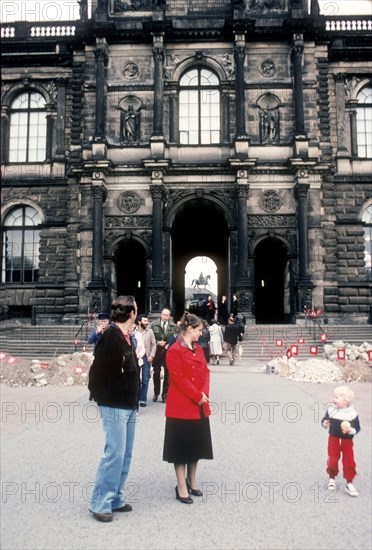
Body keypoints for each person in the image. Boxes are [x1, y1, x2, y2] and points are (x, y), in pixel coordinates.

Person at [88, 295, 140, 522]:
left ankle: (116, 497)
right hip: (114, 403)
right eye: (136, 309)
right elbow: (97, 372)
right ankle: (99, 502)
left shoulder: (126, 336)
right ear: (131, 313)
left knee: (124, 454)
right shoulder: (111, 336)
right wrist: (103, 397)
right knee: (114, 453)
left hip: (128, 403)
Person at [163, 312, 213, 504]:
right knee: (181, 449)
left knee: (196, 447)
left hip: (199, 404)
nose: (201, 334)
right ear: (189, 329)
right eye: (199, 330)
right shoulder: (174, 350)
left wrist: (204, 394)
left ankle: (192, 481)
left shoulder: (199, 349)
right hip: (182, 406)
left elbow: (206, 372)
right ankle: (181, 486)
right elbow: (179, 378)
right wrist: (198, 395)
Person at [321, 386, 361, 497]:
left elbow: (357, 428)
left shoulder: (352, 414)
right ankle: (332, 478)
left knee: (349, 461)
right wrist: (325, 423)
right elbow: (324, 420)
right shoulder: (331, 411)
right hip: (333, 439)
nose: (333, 399)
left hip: (347, 442)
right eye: (333, 396)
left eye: (336, 397)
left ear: (345, 401)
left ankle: (349, 483)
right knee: (332, 459)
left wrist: (350, 430)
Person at [151, 308, 177, 403]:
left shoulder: (173, 326)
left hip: (168, 352)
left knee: (168, 374)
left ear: (169, 316)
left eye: (167, 315)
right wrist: (158, 342)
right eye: (164, 315)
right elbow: (151, 338)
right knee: (156, 372)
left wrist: (169, 345)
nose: (165, 317)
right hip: (157, 351)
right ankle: (156, 392)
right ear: (161, 315)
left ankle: (165, 394)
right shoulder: (154, 324)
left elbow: (176, 339)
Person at [136, 314, 156, 408]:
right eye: (145, 321)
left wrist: (151, 355)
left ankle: (143, 399)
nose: (147, 323)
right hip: (136, 358)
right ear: (139, 322)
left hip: (146, 357)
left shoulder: (150, 331)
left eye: (147, 321)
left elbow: (154, 344)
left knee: (145, 380)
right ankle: (135, 398)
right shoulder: (134, 331)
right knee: (136, 379)